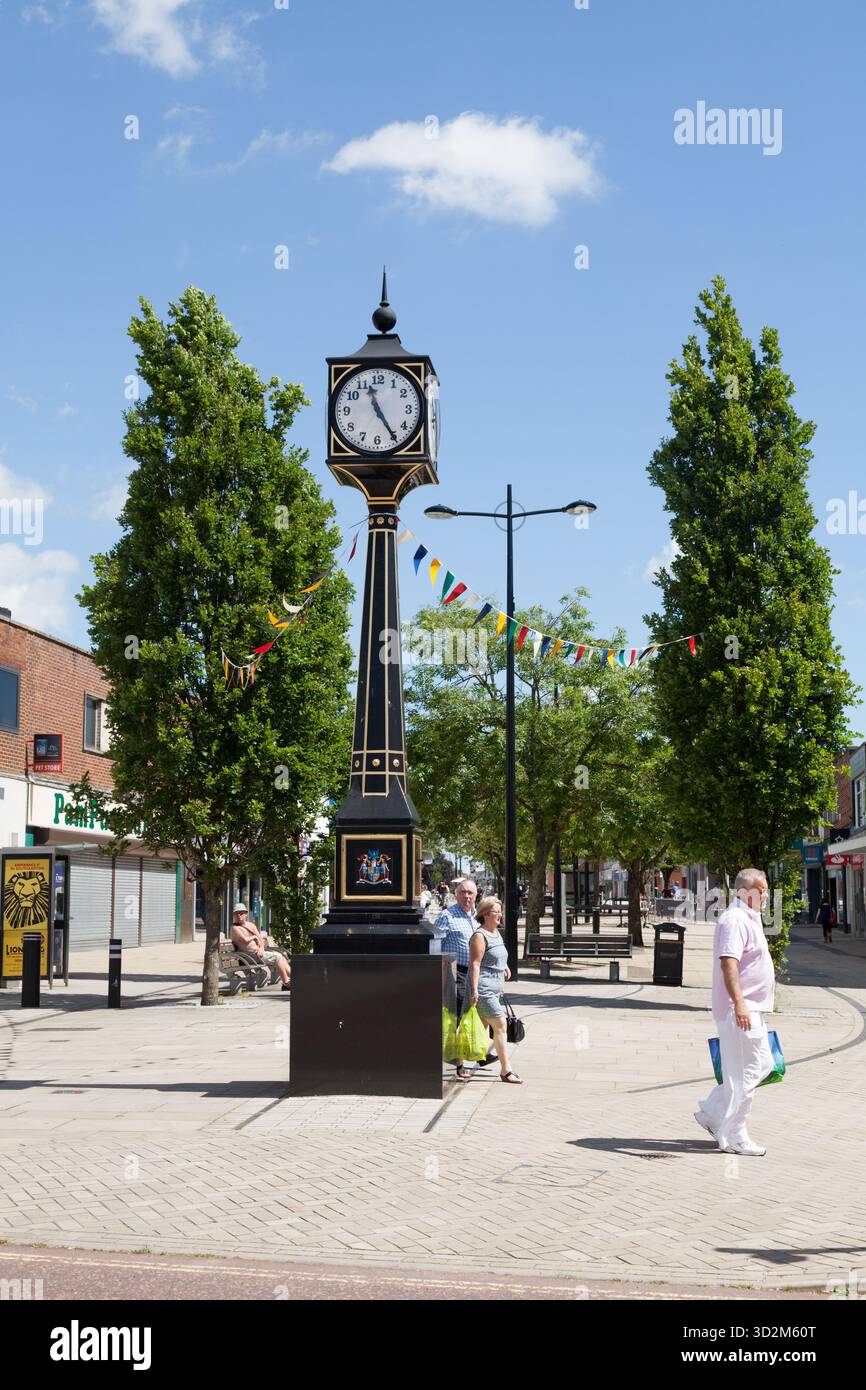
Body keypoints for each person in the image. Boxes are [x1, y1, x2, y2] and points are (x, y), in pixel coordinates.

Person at [694, 868, 775, 1156]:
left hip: (751, 1007)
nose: (766, 895)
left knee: (762, 1064)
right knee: (747, 1073)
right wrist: (739, 1002)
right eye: (761, 890)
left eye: (766, 890)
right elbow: (729, 962)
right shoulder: (735, 920)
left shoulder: (748, 918)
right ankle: (735, 1134)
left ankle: (713, 1113)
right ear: (745, 892)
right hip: (741, 1009)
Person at [435, 878, 496, 1080]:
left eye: (470, 893)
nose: (467, 896)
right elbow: (435, 945)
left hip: (477, 973)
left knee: (479, 1014)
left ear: (476, 895)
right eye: (462, 892)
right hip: (456, 972)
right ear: (455, 894)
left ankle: (479, 1052)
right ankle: (459, 1063)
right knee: (458, 1017)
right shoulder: (447, 916)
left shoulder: (478, 917)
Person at [467, 896, 522, 1085]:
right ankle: (506, 1070)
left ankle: (459, 1062)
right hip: (484, 989)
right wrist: (475, 990)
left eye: (500, 911)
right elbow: (475, 964)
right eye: (495, 912)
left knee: (480, 1028)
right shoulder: (479, 936)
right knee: (501, 1024)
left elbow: (498, 955)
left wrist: (504, 966)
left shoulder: (496, 933)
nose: (499, 915)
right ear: (484, 914)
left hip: (496, 988)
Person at [229, 903, 291, 991]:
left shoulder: (251, 925)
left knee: (282, 958)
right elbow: (245, 940)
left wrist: (261, 948)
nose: (239, 916)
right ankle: (286, 982)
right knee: (278, 957)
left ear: (246, 914)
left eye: (241, 913)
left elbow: (260, 939)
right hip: (247, 957)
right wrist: (254, 937)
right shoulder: (234, 928)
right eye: (236, 914)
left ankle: (294, 979)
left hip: (257, 955)